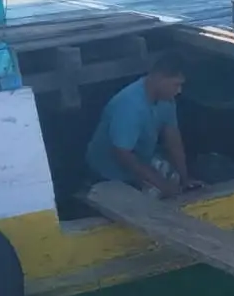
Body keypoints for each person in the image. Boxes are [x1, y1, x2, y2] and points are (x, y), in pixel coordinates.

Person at [85, 52, 202, 196]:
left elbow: (173, 140)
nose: (179, 91)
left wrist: (185, 179)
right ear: (159, 78)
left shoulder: (167, 99)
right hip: (108, 172)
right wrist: (162, 186)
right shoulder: (130, 106)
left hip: (142, 158)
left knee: (173, 181)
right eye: (176, 84)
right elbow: (122, 154)